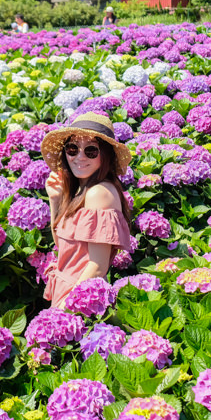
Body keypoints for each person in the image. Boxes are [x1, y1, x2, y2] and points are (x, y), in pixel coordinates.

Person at [40, 113, 133, 309]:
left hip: (81, 300)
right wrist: (55, 200)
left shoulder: (98, 193)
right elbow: (63, 246)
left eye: (91, 150)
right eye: (73, 148)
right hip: (71, 292)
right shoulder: (82, 190)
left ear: (105, 155)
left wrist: (65, 308)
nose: (79, 157)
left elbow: (97, 267)